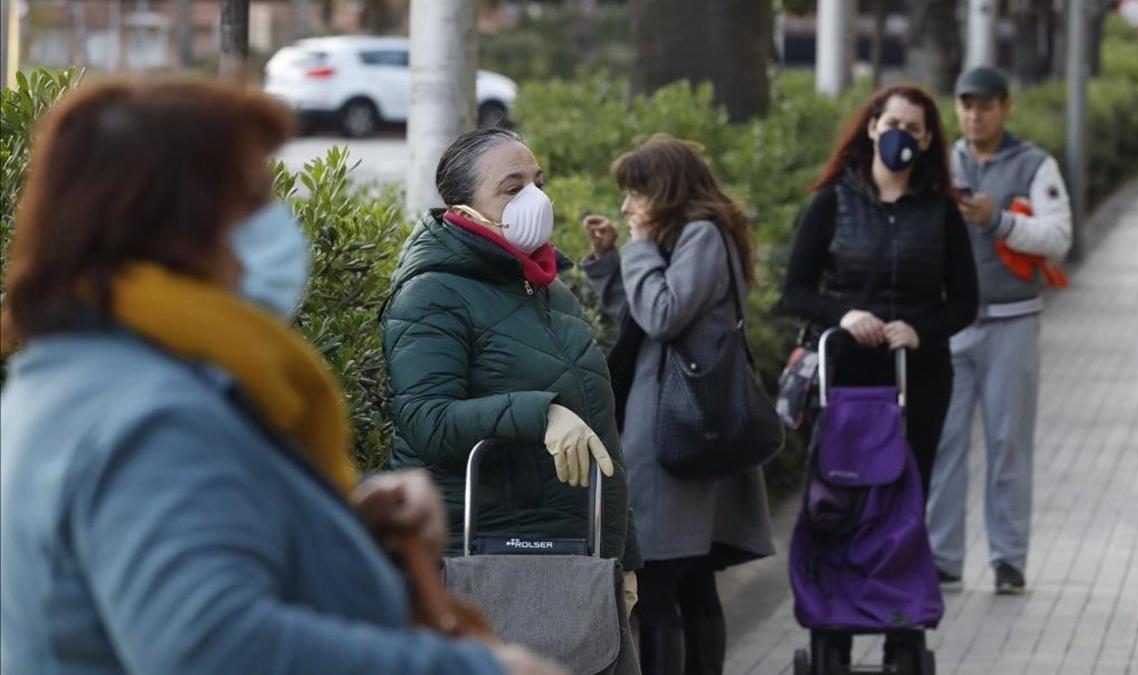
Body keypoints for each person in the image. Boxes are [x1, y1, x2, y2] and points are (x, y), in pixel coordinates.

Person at [0, 80, 563, 674]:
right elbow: (212, 646)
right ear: (178, 223)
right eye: (254, 199)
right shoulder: (150, 415)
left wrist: (336, 522)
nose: (277, 226)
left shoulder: (90, 371)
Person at [380, 128, 641, 603]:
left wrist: (622, 558)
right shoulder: (431, 293)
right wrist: (540, 414)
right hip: (478, 563)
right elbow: (425, 418)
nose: (535, 199)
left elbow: (600, 432)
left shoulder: (549, 290)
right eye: (513, 187)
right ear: (463, 209)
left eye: (537, 182)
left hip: (574, 556)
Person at [580, 135, 774, 675]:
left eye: (633, 195)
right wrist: (608, 260)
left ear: (662, 190)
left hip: (678, 427)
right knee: (689, 578)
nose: (625, 208)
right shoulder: (689, 238)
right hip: (679, 423)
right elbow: (643, 323)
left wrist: (638, 246)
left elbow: (663, 314)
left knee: (664, 579)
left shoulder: (704, 236)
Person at [780, 84, 979, 498]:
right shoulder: (832, 202)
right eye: (892, 123)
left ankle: (897, 565)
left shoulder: (941, 211)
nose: (900, 134)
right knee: (841, 493)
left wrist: (920, 330)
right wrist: (844, 316)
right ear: (872, 128)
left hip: (918, 376)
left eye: (912, 128)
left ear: (926, 140)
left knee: (906, 498)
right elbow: (795, 291)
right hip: (844, 374)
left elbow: (965, 302)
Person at [927, 66, 1073, 596]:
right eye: (966, 104)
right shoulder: (943, 164)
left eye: (985, 105)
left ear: (1005, 108)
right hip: (952, 326)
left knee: (1008, 443)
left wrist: (999, 221)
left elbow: (1059, 238)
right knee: (944, 444)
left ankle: (1009, 559)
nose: (974, 114)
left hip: (1013, 322)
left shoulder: (1035, 164)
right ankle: (942, 559)